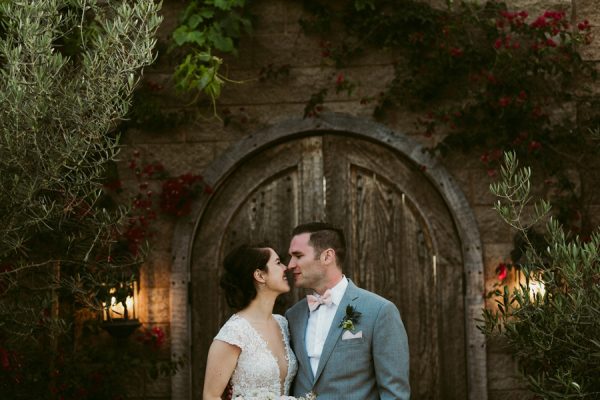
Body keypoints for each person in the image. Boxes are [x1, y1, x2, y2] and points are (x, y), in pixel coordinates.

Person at [285, 222, 410, 400]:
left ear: (327, 256)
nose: (290, 265)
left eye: (298, 255)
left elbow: (394, 393)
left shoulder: (380, 311)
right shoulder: (293, 315)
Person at [203, 244, 298, 400]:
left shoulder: (283, 324)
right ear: (260, 275)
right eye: (278, 262)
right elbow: (210, 396)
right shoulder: (234, 333)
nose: (285, 267)